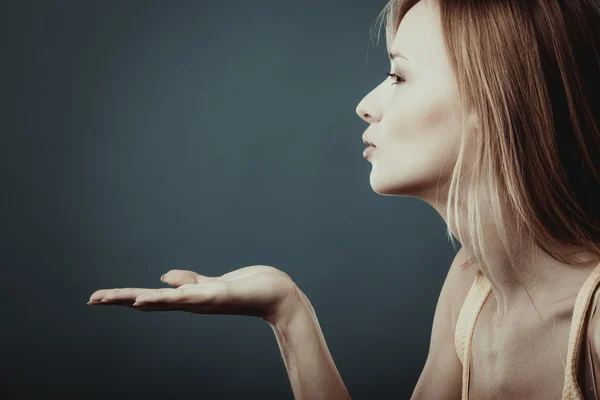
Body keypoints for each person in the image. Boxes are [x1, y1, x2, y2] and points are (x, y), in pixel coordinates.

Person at [88, 0, 600, 398]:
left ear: (499, 103)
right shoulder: (472, 287)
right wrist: (287, 311)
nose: (364, 105)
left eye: (398, 75)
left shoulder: (593, 323)